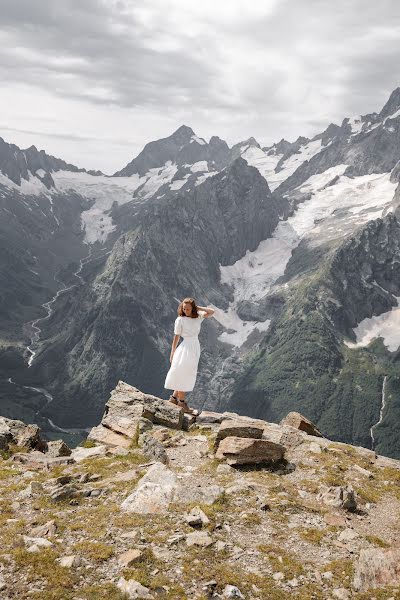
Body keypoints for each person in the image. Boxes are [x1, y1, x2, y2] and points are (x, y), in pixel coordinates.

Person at [164, 297, 215, 414]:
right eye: (184, 308)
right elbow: (176, 337)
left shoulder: (198, 317)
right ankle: (181, 403)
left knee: (185, 372)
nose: (185, 311)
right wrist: (172, 352)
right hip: (185, 347)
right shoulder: (180, 320)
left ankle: (173, 399)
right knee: (182, 373)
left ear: (193, 309)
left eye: (188, 309)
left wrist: (198, 308)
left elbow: (212, 312)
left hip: (194, 347)